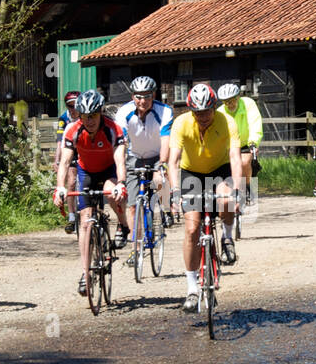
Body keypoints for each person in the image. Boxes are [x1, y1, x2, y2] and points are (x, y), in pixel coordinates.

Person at [168, 83, 244, 311]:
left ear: (214, 107)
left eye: (207, 111)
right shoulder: (181, 123)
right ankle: (192, 288)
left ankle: (227, 237)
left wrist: (237, 190)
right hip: (191, 173)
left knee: (226, 200)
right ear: (191, 111)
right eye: (198, 112)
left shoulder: (226, 122)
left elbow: (235, 157)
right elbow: (172, 161)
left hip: (219, 169)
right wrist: (174, 193)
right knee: (192, 230)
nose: (203, 116)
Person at [54, 88, 128, 295]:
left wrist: (121, 183)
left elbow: (120, 160)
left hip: (109, 171)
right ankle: (85, 273)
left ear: (100, 113)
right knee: (85, 220)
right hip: (85, 171)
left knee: (109, 191)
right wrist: (60, 187)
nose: (90, 121)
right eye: (85, 116)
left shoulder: (114, 129)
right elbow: (65, 162)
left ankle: (123, 226)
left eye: (94, 115)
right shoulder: (72, 129)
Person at [114, 75, 174, 263]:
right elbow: (121, 144)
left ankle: (165, 208)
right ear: (133, 96)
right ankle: (136, 249)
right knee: (132, 206)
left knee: (158, 179)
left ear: (153, 95)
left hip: (157, 155)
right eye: (138, 96)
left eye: (147, 96)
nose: (143, 101)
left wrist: (161, 165)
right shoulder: (124, 112)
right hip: (135, 157)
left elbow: (166, 142)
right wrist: (121, 171)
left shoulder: (164, 111)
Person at [216, 83, 264, 219]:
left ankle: (248, 186)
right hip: (230, 144)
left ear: (238, 97)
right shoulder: (220, 112)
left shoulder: (248, 103)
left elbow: (255, 123)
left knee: (244, 162)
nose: (230, 104)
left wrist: (253, 142)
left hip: (245, 142)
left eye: (232, 100)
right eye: (226, 102)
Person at [54, 91, 79, 233]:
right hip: (69, 149)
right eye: (70, 106)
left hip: (85, 149)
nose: (73, 109)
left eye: (75, 105)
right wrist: (57, 161)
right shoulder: (63, 119)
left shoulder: (86, 115)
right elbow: (59, 142)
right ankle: (71, 217)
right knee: (71, 182)